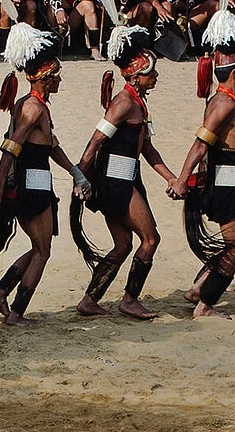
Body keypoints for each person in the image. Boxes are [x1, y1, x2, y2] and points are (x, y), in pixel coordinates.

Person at [0, 23, 90, 326]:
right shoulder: (33, 109)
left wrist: (76, 172)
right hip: (32, 185)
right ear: (45, 77)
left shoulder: (32, 105)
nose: (59, 81)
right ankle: (16, 312)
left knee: (39, 247)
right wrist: (0, 190)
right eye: (56, 76)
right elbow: (10, 150)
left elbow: (50, 146)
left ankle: (2, 292)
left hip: (34, 182)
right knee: (42, 251)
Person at [172, 8, 235, 319]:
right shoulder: (224, 103)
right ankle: (205, 304)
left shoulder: (232, 101)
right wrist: (181, 179)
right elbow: (200, 144)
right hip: (227, 184)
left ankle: (199, 288)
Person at [75, 25, 175, 321]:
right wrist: (80, 176)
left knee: (123, 245)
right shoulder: (123, 102)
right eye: (151, 73)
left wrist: (170, 177)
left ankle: (89, 300)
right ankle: (130, 300)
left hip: (126, 179)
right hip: (116, 182)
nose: (155, 77)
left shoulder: (138, 103)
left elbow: (147, 150)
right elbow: (96, 140)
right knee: (150, 239)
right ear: (135, 74)